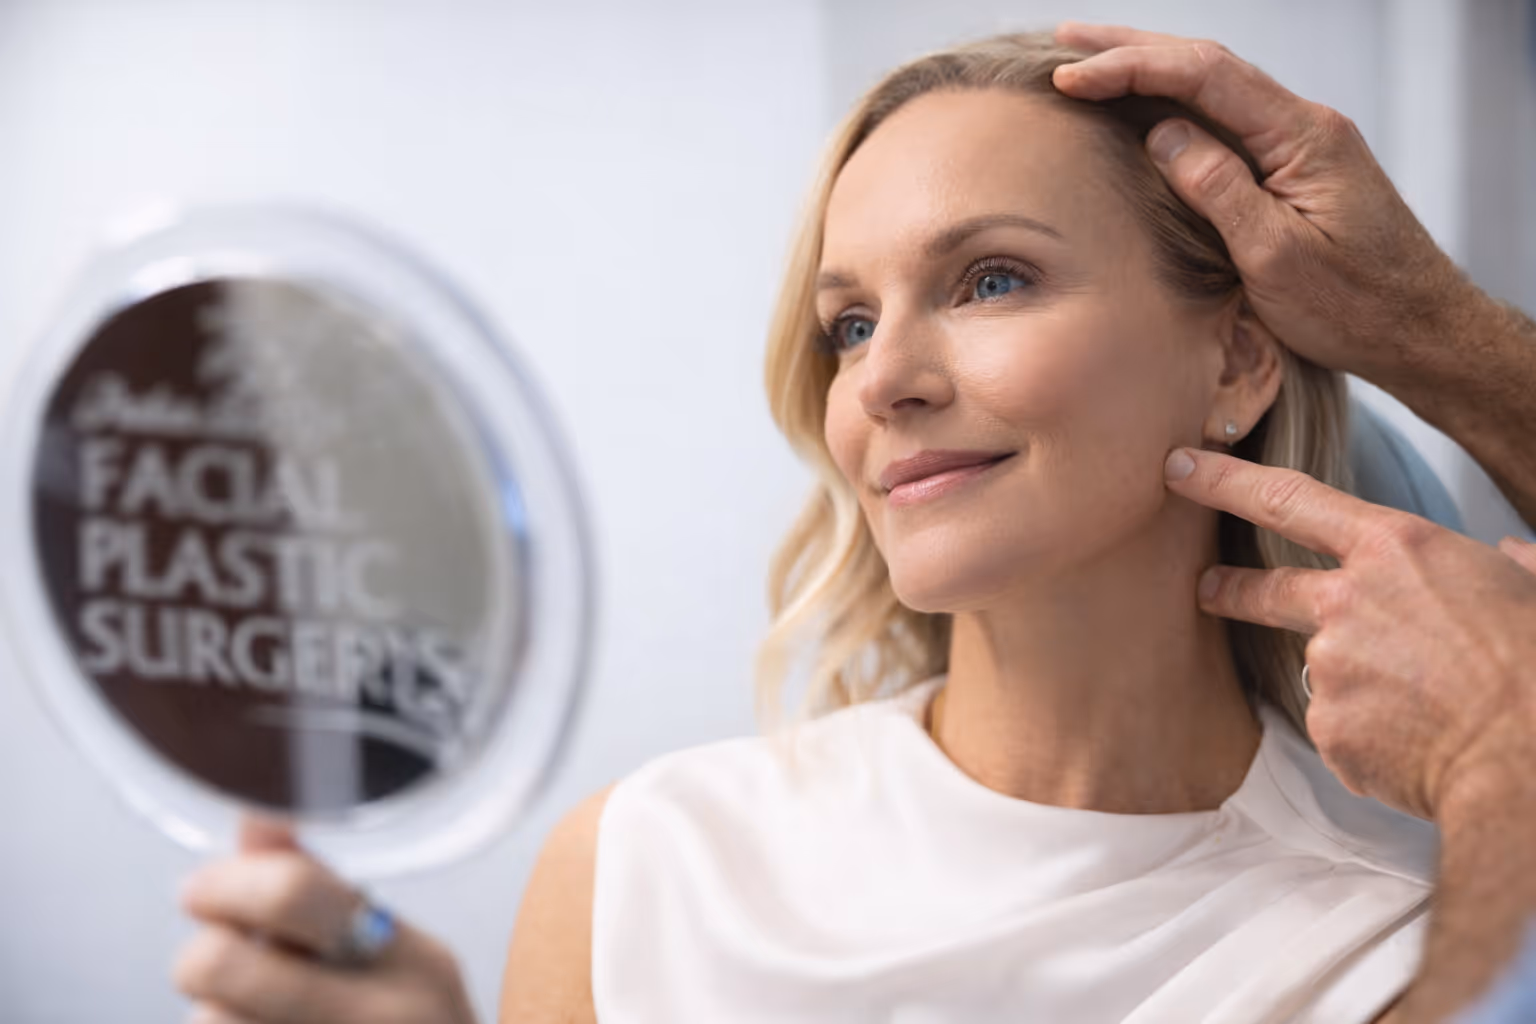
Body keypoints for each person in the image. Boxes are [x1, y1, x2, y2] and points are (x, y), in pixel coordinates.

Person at [168, 25, 1536, 1024]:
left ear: (1238, 363)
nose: (880, 379)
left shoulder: (1411, 933)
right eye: (850, 322)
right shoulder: (646, 865)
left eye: (992, 278)